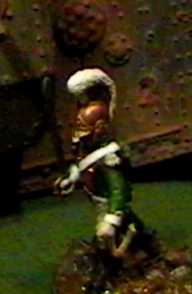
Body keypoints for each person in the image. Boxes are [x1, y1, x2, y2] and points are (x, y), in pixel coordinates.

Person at [54, 68, 146, 259]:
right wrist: (70, 179)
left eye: (84, 137)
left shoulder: (108, 161)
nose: (80, 142)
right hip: (99, 203)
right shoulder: (88, 155)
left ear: (99, 130)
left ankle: (136, 245)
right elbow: (83, 169)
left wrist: (112, 219)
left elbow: (119, 191)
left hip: (109, 209)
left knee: (112, 239)